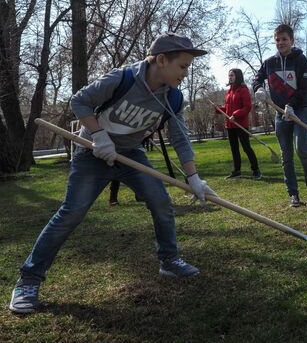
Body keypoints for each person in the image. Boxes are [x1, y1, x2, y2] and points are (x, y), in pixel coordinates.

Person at [9, 33, 217, 314]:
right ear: (161, 60)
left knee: (161, 202)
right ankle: (28, 281)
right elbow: (79, 101)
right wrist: (98, 135)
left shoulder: (174, 98)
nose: (186, 73)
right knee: (72, 212)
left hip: (130, 155)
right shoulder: (122, 79)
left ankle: (169, 261)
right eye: (182, 66)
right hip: (92, 153)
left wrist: (193, 178)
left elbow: (180, 138)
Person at [252, 24, 307, 208]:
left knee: (302, 149)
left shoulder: (300, 60)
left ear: (291, 40)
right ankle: (293, 194)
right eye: (277, 39)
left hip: (299, 109)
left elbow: (303, 87)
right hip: (279, 112)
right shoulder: (269, 63)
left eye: (284, 39)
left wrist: (292, 105)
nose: (280, 42)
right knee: (286, 154)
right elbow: (257, 79)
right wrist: (259, 89)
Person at [216, 68, 261, 180]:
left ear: (238, 76)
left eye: (232, 75)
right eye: (229, 75)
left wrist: (235, 115)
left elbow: (247, 107)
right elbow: (227, 108)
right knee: (234, 149)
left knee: (246, 148)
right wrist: (219, 109)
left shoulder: (243, 89)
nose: (230, 77)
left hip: (240, 124)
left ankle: (256, 170)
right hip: (230, 125)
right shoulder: (229, 91)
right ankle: (237, 171)